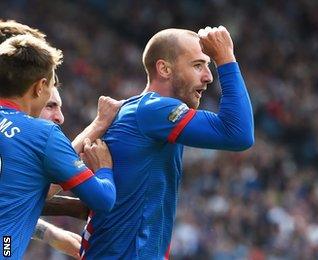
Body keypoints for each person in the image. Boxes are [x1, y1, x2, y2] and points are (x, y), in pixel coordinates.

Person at [81, 26, 253, 259]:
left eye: (208, 66)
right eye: (197, 65)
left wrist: (45, 230)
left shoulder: (141, 112)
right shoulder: (154, 111)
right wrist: (226, 58)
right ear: (164, 69)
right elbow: (238, 134)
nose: (209, 76)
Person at [0, 19, 122, 258]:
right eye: (50, 97)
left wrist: (49, 233)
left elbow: (12, 200)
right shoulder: (41, 134)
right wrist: (105, 169)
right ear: (39, 87)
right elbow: (103, 199)